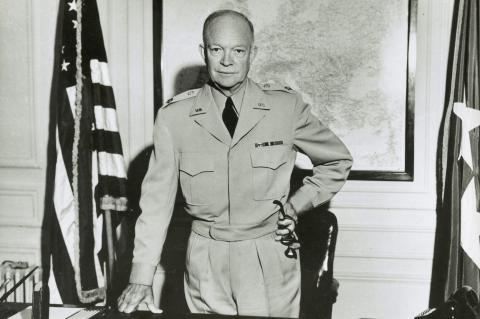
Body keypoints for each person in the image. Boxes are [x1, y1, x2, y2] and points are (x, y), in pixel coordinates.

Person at [117, 9, 352, 317]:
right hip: (204, 261)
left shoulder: (285, 108)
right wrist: (141, 277)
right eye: (217, 50)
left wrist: (296, 206)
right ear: (204, 52)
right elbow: (156, 202)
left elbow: (337, 160)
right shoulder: (174, 118)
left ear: (252, 53)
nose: (227, 61)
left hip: (267, 257)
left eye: (238, 51)